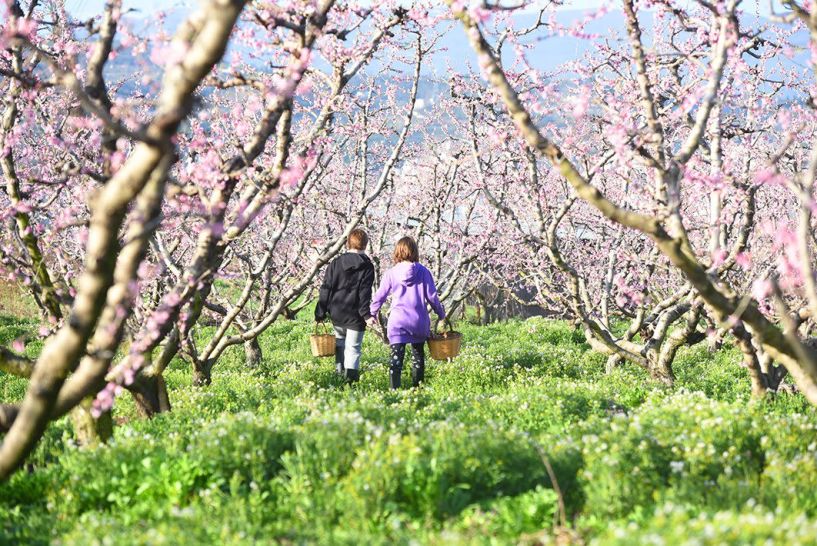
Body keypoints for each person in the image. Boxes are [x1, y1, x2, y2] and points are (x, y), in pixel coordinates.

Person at [369, 236, 446, 389]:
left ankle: (394, 391)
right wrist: (441, 314)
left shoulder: (391, 273)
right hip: (418, 321)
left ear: (398, 251)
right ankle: (417, 390)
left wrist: (372, 313)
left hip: (398, 321)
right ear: (414, 252)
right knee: (418, 357)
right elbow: (432, 297)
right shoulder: (423, 272)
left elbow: (380, 295)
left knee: (396, 359)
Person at [315, 228, 375, 383]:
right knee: (353, 349)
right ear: (365, 244)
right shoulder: (367, 266)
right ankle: (350, 383)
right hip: (355, 317)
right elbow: (364, 293)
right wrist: (366, 315)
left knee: (340, 345)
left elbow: (326, 287)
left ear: (348, 242)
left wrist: (320, 311)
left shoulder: (336, 262)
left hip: (337, 313)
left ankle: (338, 378)